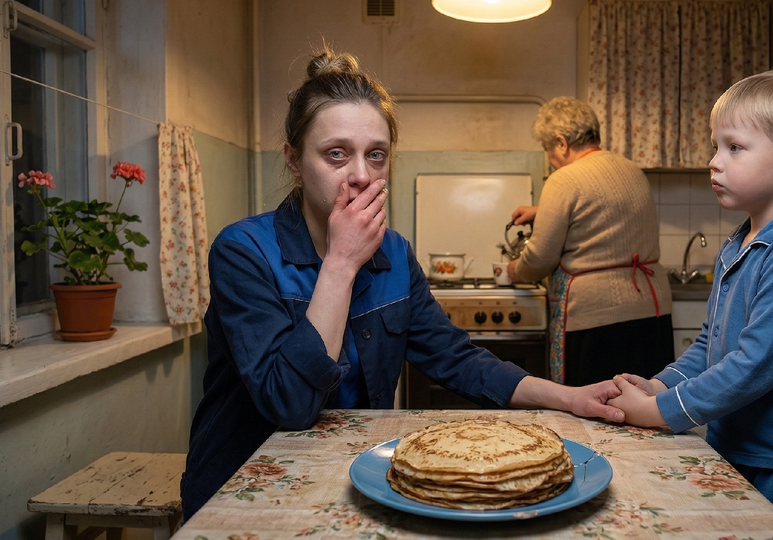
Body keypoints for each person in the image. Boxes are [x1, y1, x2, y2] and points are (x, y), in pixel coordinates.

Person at [179, 49, 626, 520]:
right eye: (336, 154)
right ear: (293, 159)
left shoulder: (393, 252)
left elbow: (455, 358)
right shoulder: (243, 251)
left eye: (376, 156)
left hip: (353, 481)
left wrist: (567, 396)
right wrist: (341, 263)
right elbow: (287, 403)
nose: (360, 176)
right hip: (243, 489)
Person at [606, 68, 773, 540]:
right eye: (716, 146)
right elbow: (710, 342)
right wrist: (661, 386)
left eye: (734, 147)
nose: (714, 162)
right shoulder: (740, 241)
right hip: (734, 447)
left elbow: (753, 365)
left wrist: (658, 413)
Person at [506, 96, 673, 387]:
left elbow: (540, 260)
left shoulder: (564, 178)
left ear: (561, 142)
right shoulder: (631, 169)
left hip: (596, 318)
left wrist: (514, 270)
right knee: (641, 403)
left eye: (548, 149)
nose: (550, 158)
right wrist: (541, 211)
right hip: (651, 310)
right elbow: (605, 211)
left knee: (594, 411)